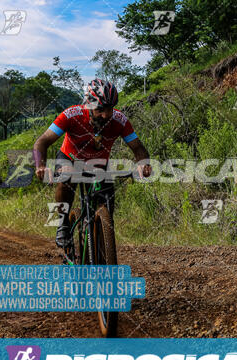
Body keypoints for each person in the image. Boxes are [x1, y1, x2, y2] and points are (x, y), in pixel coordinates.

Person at [33, 78, 151, 248]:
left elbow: (137, 147)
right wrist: (41, 165)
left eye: (110, 109)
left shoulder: (119, 120)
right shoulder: (71, 115)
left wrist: (142, 163)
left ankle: (102, 243)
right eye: (100, 109)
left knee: (108, 207)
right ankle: (63, 223)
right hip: (70, 158)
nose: (105, 115)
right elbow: (42, 141)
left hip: (98, 164)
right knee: (66, 176)